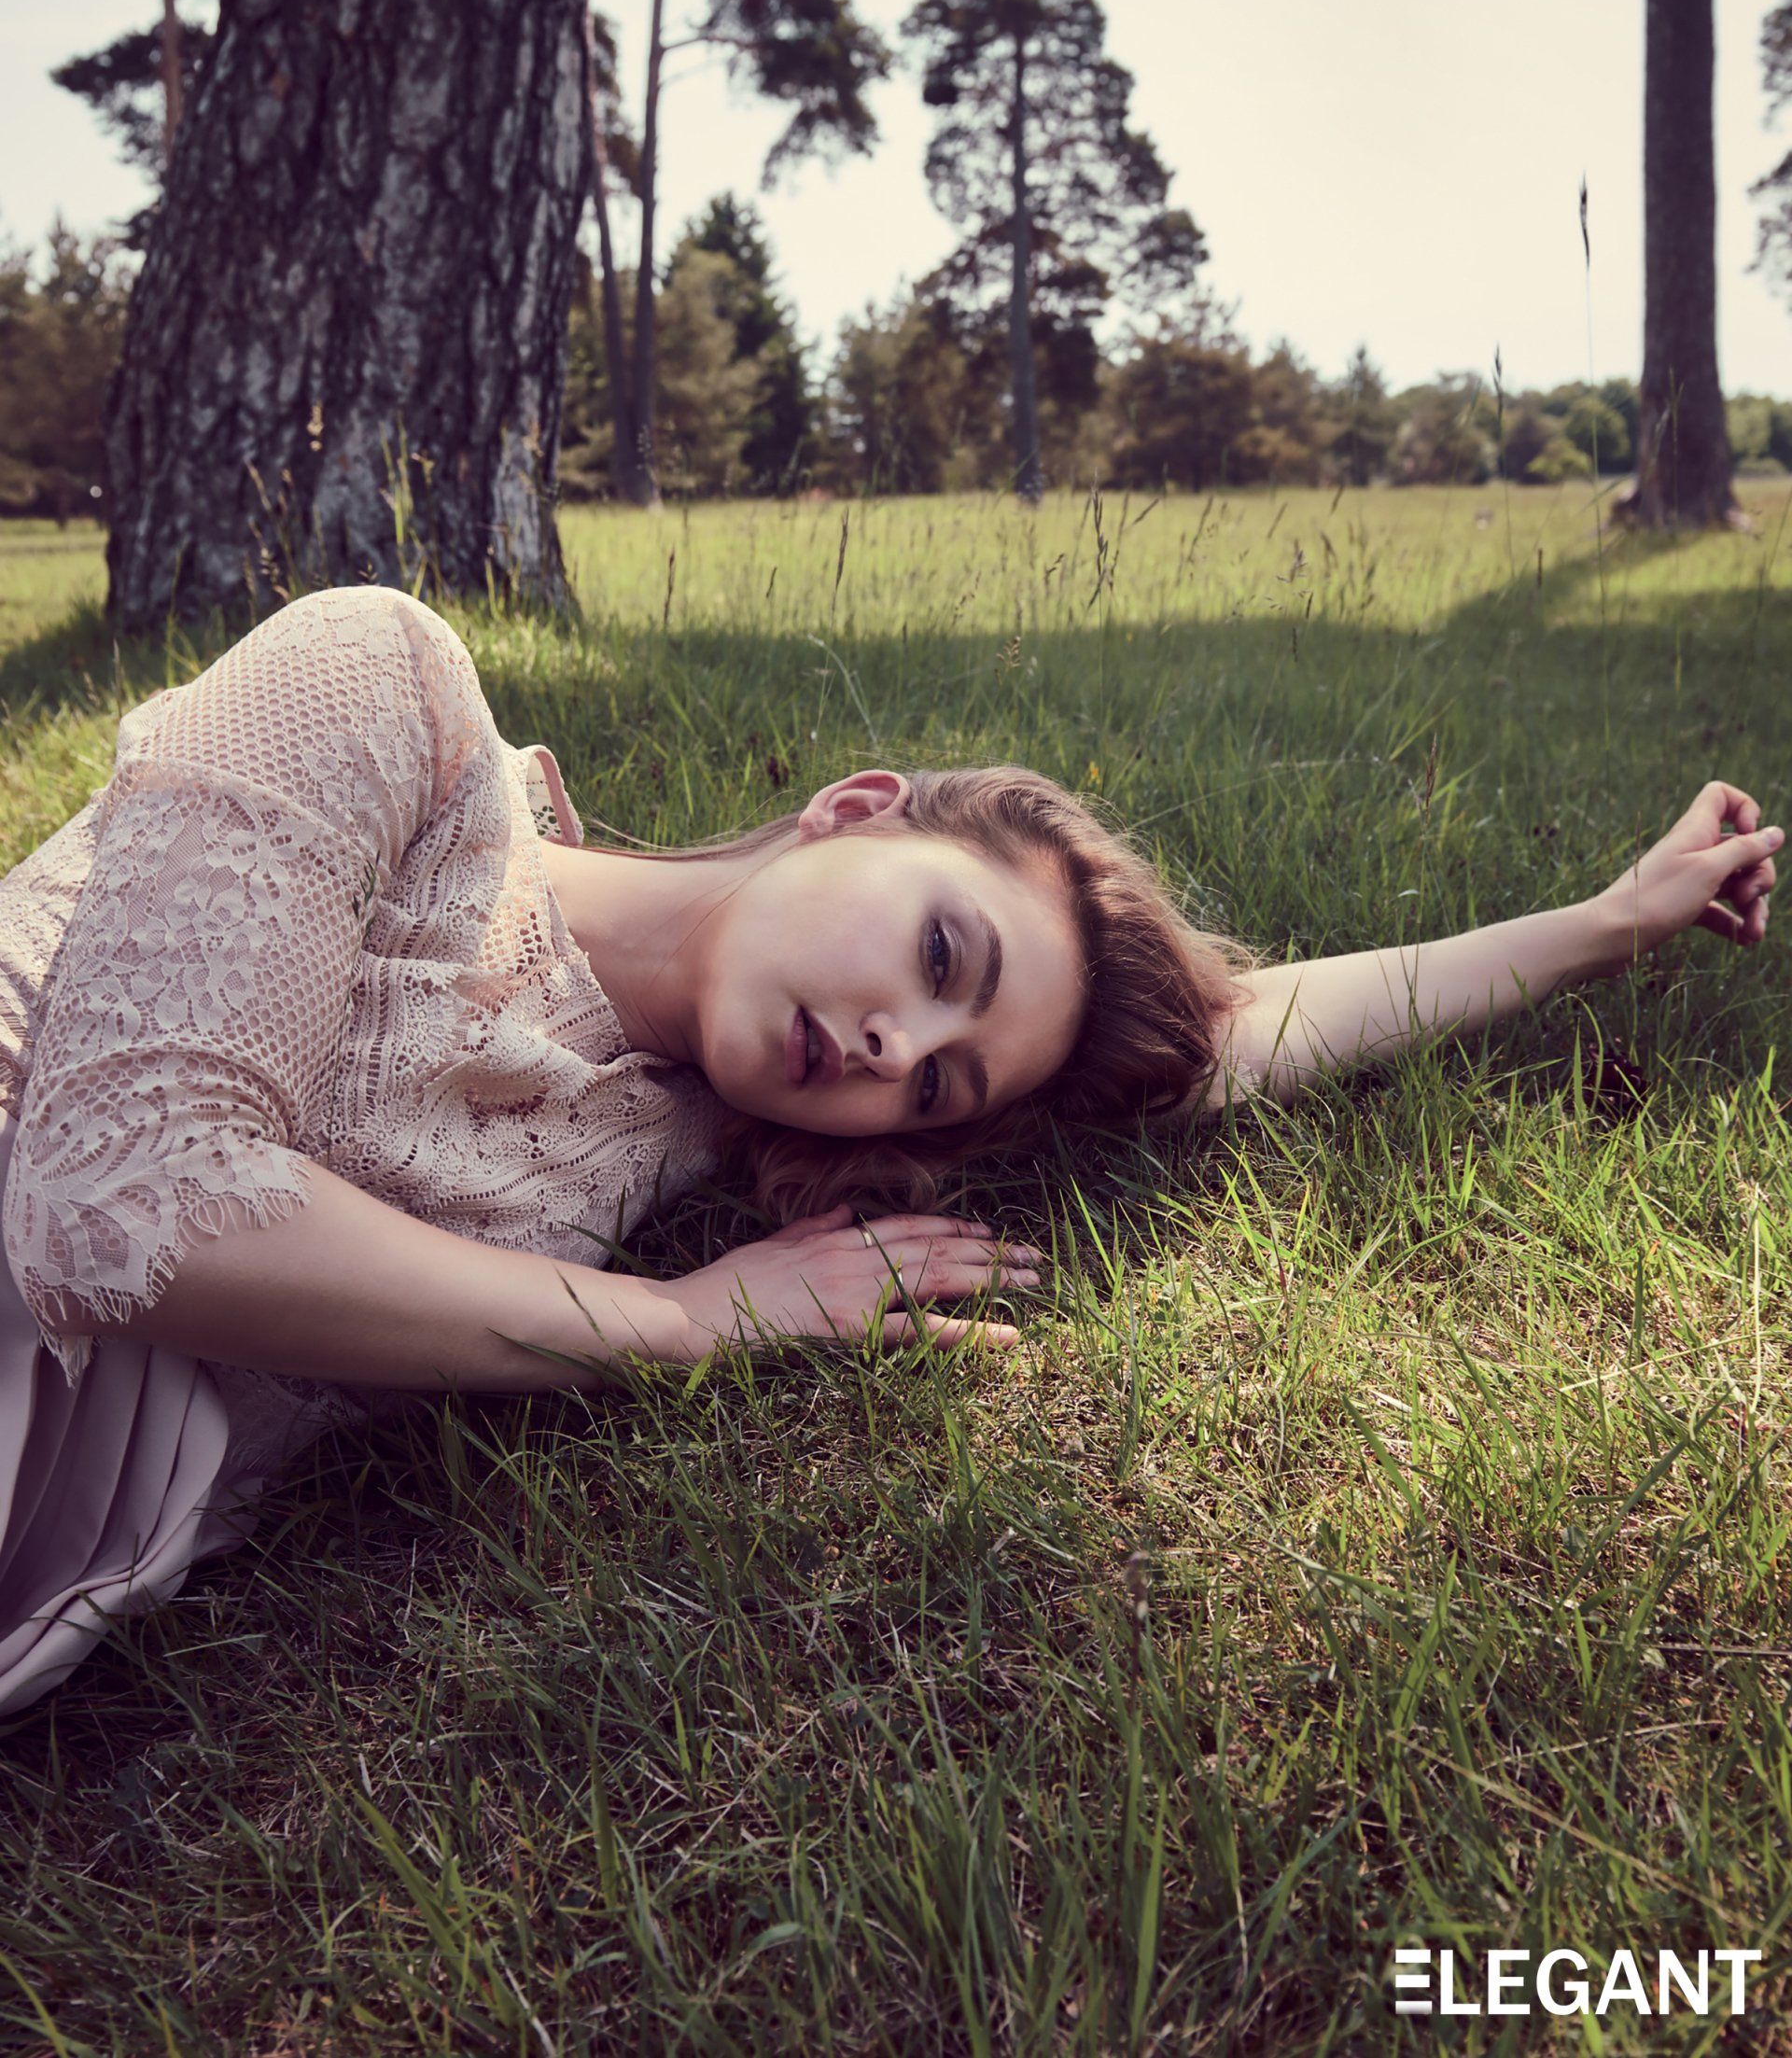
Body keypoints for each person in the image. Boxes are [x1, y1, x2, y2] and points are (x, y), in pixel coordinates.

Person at [0, 586, 1777, 1715]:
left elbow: (1233, 1039)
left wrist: (1601, 924)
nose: (890, 1050)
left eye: (932, 1086)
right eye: (941, 959)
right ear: (858, 810)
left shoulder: (675, 1128)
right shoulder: (375, 685)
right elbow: (123, 1201)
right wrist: (686, 1326)